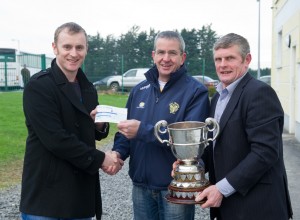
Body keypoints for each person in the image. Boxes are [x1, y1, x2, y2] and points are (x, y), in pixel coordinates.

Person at [20, 22, 123, 220]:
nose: (73, 54)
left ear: (86, 49)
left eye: (79, 47)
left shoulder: (87, 87)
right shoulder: (39, 87)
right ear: (55, 48)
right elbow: (55, 139)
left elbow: (88, 130)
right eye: (67, 47)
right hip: (46, 197)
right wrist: (101, 159)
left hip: (80, 196)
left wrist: (99, 124)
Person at [109, 31, 210, 219]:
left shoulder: (196, 92)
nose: (166, 58)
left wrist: (143, 131)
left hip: (174, 187)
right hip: (141, 187)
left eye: (172, 53)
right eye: (161, 52)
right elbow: (125, 131)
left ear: (182, 57)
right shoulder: (139, 90)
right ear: (153, 55)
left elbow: (189, 140)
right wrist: (117, 153)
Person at [194, 33, 293, 220]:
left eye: (230, 58)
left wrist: (221, 189)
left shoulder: (259, 93)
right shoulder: (217, 97)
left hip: (258, 207)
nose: (222, 65)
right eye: (218, 59)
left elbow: (265, 152)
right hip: (228, 206)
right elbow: (214, 144)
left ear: (247, 60)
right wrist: (194, 166)